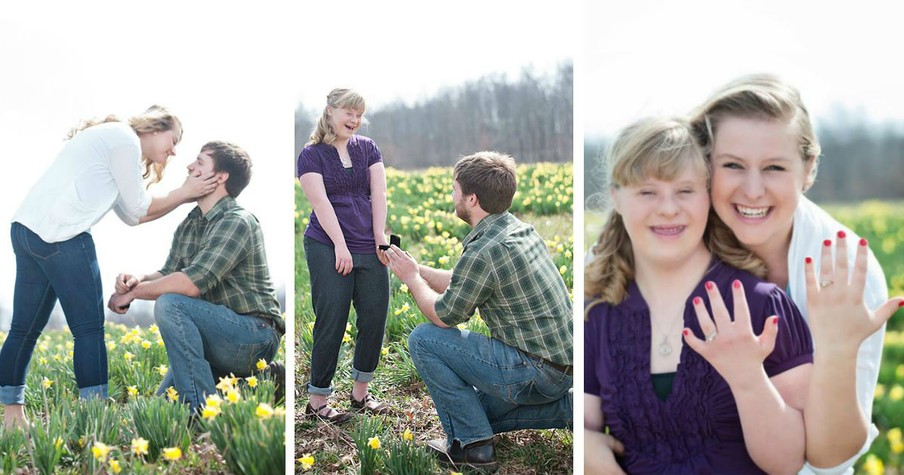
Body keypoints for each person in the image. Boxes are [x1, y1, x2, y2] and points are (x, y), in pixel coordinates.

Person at [689, 74, 904, 473]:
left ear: (808, 169)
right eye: (733, 165)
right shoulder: (672, 232)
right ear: (705, 165)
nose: (753, 190)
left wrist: (838, 351)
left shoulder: (846, 270)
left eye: (774, 167)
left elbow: (829, 461)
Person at [584, 117, 814, 474]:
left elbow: (787, 463)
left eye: (685, 190)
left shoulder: (760, 305)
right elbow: (584, 426)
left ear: (708, 196)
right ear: (616, 197)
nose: (668, 208)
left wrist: (748, 379)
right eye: (647, 192)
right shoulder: (597, 313)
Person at [0, 106, 216, 429]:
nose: (173, 151)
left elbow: (132, 215)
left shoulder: (113, 143)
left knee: (23, 330)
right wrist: (186, 192)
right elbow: (139, 208)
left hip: (27, 230)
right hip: (64, 236)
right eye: (173, 140)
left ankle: (11, 418)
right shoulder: (125, 140)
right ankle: (95, 418)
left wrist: (183, 196)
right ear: (155, 128)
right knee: (88, 330)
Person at [385, 151, 573, 472]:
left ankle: (473, 448)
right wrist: (417, 267)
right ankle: (575, 409)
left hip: (533, 371)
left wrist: (411, 278)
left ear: (471, 199)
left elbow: (444, 315)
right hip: (561, 369)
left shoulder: (485, 251)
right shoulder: (517, 230)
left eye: (455, 190)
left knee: (424, 339)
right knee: (472, 410)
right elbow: (466, 282)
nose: (452, 196)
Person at [107, 141, 284, 413]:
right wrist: (137, 280)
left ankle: (200, 413)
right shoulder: (191, 222)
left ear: (220, 177)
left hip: (252, 336)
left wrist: (132, 295)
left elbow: (189, 284)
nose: (190, 166)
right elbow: (169, 273)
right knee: (160, 410)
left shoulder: (237, 221)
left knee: (170, 303)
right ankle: (261, 381)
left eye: (200, 162)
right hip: (215, 337)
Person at [298, 88, 391, 423]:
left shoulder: (368, 148)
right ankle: (318, 400)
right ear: (330, 111)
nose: (354, 120)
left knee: (375, 316)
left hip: (368, 244)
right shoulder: (311, 155)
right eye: (347, 112)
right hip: (327, 243)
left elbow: (378, 193)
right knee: (332, 318)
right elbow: (320, 203)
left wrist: (380, 237)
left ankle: (360, 394)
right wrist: (340, 245)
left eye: (358, 114)